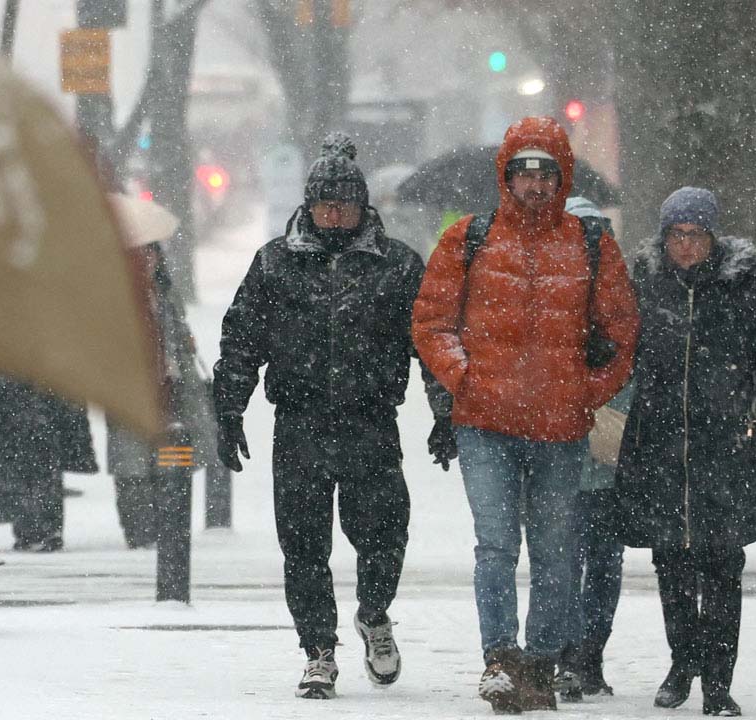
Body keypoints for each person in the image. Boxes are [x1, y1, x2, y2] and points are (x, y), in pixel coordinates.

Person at [213, 133, 455, 700]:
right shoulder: (275, 264)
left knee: (384, 534)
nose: (336, 213)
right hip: (299, 423)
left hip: (371, 421)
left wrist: (446, 412)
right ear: (309, 205)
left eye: (346, 203)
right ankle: (318, 650)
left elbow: (432, 343)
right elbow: (242, 339)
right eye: (326, 203)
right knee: (302, 546)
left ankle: (374, 614)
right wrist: (228, 408)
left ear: (364, 206)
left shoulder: (397, 266)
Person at [412, 117, 639, 713]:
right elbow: (432, 322)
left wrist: (586, 390)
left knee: (555, 548)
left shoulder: (591, 243)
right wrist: (467, 379)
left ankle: (540, 662)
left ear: (560, 177)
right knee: (495, 546)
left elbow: (620, 332)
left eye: (546, 173)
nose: (534, 184)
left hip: (560, 428)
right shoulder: (468, 238)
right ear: (505, 176)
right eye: (524, 172)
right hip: (486, 423)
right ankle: (501, 659)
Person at [613, 187, 756, 717]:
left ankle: (718, 680)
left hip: (727, 449)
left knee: (721, 565)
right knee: (671, 563)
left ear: (713, 238)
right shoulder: (644, 287)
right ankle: (681, 661)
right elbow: (617, 352)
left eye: (696, 235)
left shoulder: (745, 290)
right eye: (676, 235)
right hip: (661, 445)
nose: (686, 246)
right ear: (664, 237)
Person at [554, 197, 629, 701]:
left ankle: (587, 656)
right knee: (568, 562)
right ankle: (571, 657)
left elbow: (632, 362)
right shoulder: (548, 292)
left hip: (603, 451)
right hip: (561, 453)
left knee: (598, 562)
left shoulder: (619, 293)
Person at [107, 238, 215, 550]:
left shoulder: (166, 294)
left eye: (151, 252)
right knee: (132, 466)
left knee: (170, 460)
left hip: (171, 388)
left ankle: (168, 525)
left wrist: (184, 347)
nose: (147, 259)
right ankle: (140, 532)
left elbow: (178, 333)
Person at [0, 372, 96, 551]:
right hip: (40, 422)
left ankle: (32, 531)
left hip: (17, 423)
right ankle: (44, 531)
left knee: (26, 481)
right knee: (42, 480)